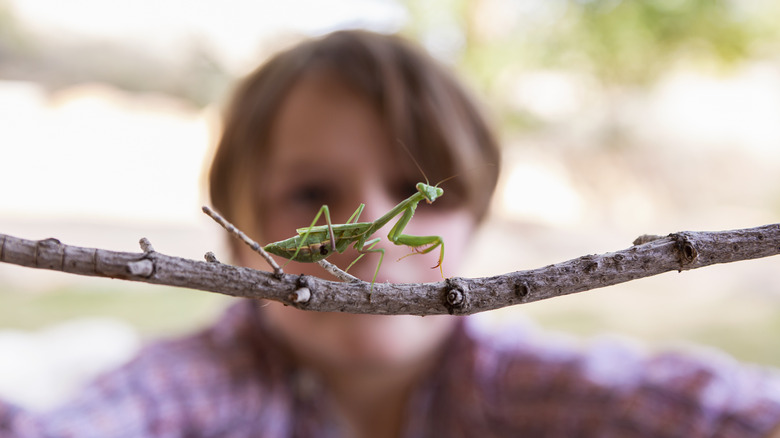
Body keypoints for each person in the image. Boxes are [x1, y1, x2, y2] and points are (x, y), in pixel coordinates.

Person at [2, 29, 780, 438]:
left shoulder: (518, 381)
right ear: (244, 241)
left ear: (474, 218)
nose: (371, 227)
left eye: (419, 190)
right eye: (311, 193)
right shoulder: (206, 384)